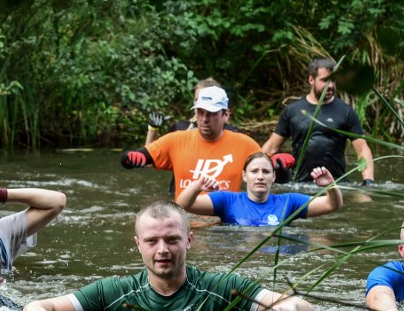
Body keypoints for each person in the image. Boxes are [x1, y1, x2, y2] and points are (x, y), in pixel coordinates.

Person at [22, 200, 314, 311]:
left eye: (172, 239)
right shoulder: (113, 292)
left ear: (188, 240)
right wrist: (35, 310)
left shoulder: (223, 287)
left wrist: (289, 308)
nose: (162, 249)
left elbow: (306, 309)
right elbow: (43, 306)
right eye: (152, 241)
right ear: (138, 245)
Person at [121, 86, 260, 198]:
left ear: (226, 115)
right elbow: (142, 155)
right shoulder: (176, 140)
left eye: (211, 113)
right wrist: (131, 157)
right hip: (184, 222)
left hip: (224, 224)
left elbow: (270, 172)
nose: (204, 119)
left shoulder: (245, 144)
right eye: (200, 112)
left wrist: (279, 164)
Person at [262, 58, 376, 185]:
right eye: (325, 80)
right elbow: (271, 147)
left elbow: (362, 150)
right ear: (311, 80)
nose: (331, 85)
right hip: (300, 185)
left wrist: (368, 181)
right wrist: (252, 170)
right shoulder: (292, 110)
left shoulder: (346, 112)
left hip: (337, 185)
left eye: (333, 80)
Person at [176, 151, 343, 226]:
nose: (260, 176)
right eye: (254, 171)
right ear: (244, 176)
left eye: (266, 171)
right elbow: (183, 205)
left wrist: (331, 185)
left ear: (274, 177)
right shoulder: (227, 200)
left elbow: (332, 205)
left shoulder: (289, 202)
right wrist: (197, 186)